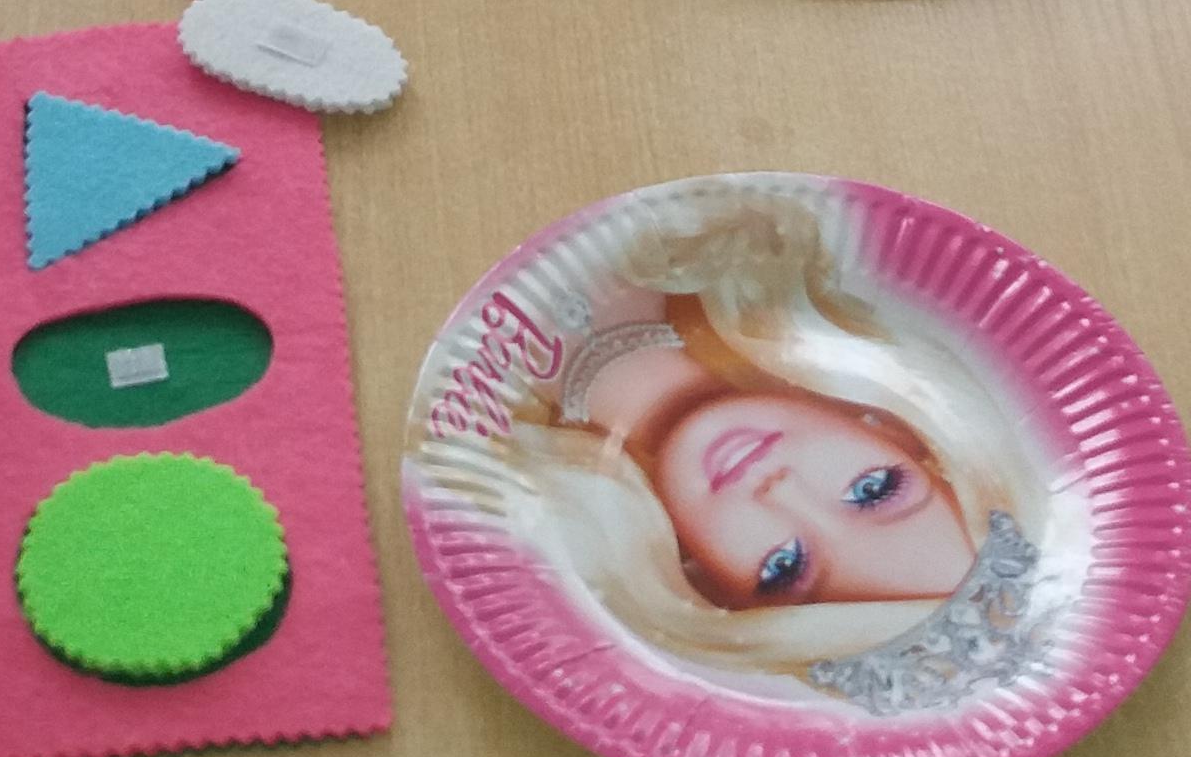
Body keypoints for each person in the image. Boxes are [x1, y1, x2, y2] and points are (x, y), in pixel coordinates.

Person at [407, 183, 1050, 715]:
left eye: (783, 567)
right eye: (872, 490)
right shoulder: (767, 239)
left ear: (708, 590)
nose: (780, 491)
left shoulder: (486, 464)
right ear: (901, 434)